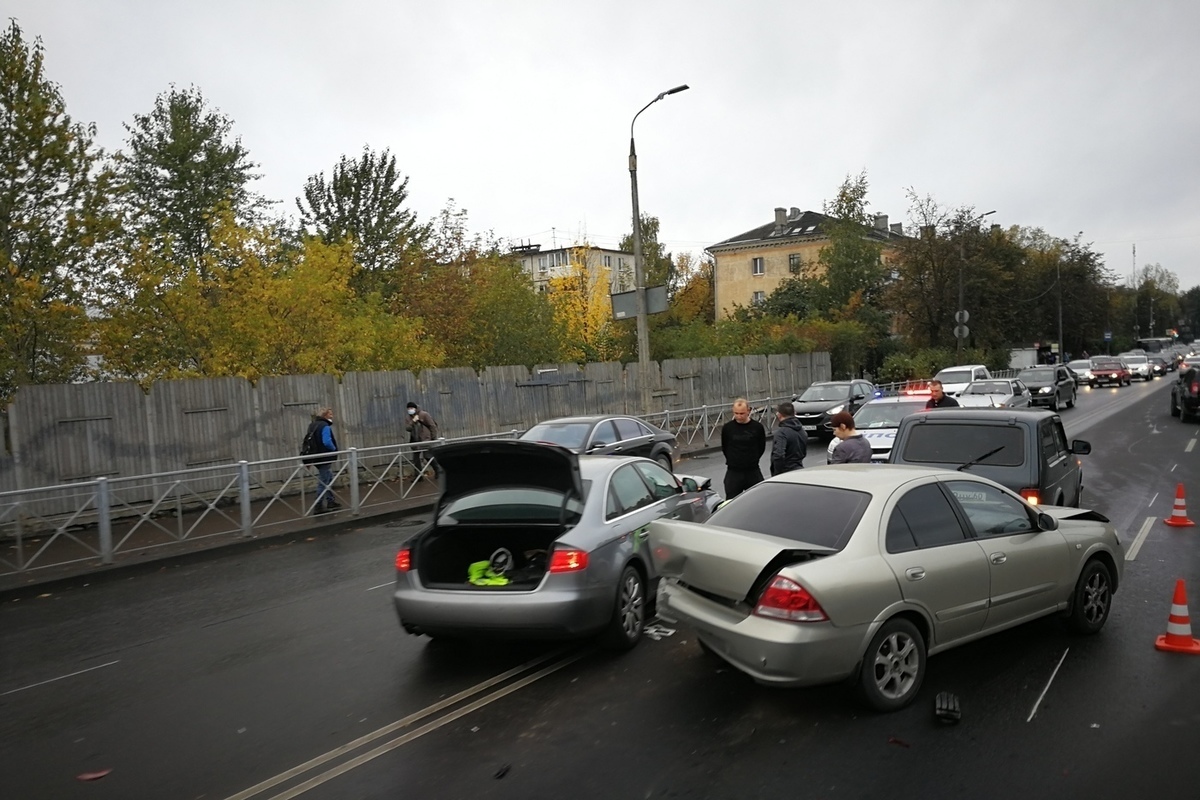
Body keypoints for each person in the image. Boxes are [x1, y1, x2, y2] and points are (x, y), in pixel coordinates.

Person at [720, 398, 766, 499]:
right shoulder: (728, 428)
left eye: (742, 413)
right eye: (736, 413)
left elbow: (761, 447)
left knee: (758, 499)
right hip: (734, 472)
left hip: (753, 471)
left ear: (748, 411)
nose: (739, 416)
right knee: (731, 502)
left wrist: (752, 459)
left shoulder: (757, 427)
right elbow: (725, 447)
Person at [304, 408, 340, 513]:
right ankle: (318, 505)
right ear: (325, 415)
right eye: (330, 414)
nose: (332, 416)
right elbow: (327, 442)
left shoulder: (312, 425)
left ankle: (330, 501)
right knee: (324, 480)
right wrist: (334, 449)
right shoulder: (325, 426)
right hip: (325, 456)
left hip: (315, 456)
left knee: (328, 477)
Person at [770, 401, 807, 475]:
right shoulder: (802, 431)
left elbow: (779, 455)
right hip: (799, 469)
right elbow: (803, 452)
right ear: (794, 413)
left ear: (779, 415)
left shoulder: (781, 433)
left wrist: (777, 473)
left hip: (785, 473)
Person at [406, 401, 439, 474]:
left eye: (411, 408)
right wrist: (413, 421)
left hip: (425, 439)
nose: (409, 410)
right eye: (408, 408)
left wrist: (433, 438)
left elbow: (432, 425)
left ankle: (437, 470)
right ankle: (418, 476)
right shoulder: (408, 417)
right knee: (416, 459)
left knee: (427, 456)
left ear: (415, 408)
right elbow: (408, 429)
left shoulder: (424, 414)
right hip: (415, 440)